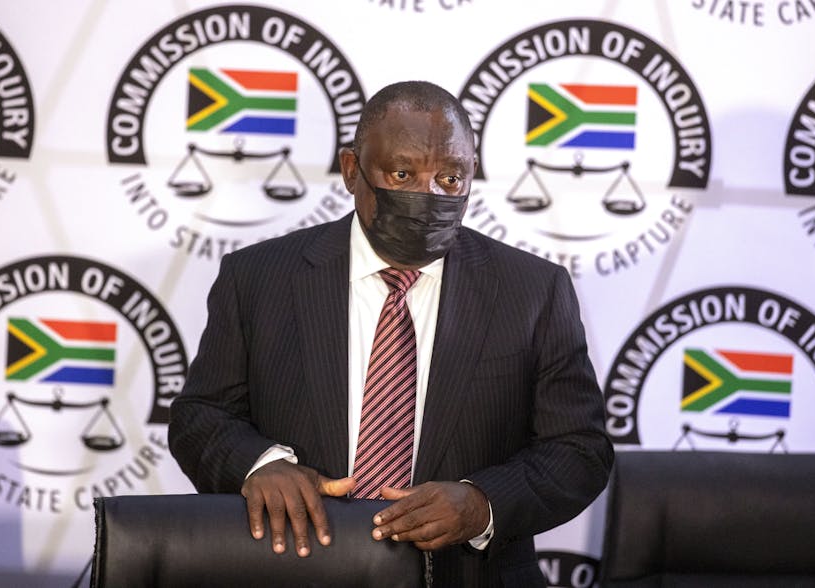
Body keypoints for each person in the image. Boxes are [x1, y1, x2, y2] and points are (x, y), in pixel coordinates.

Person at [168, 80, 614, 587]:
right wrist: (260, 466)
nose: (428, 195)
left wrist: (482, 503)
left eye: (450, 178)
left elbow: (580, 449)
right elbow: (200, 416)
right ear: (352, 170)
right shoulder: (257, 278)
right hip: (295, 569)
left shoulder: (532, 290)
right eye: (403, 174)